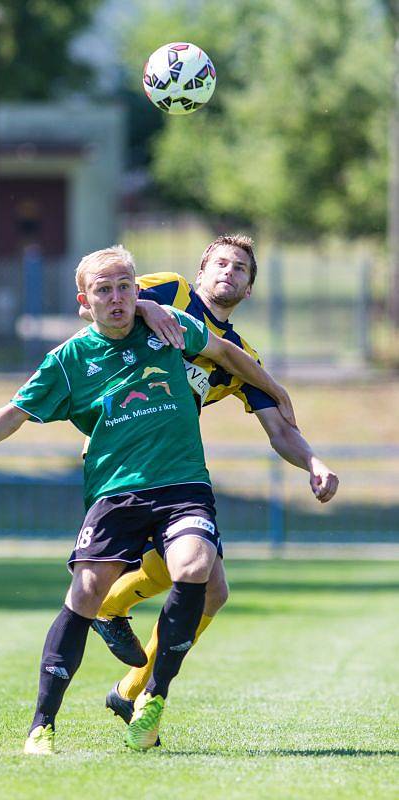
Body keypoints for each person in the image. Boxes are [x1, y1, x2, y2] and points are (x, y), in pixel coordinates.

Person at [0, 245, 296, 755]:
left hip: (183, 483)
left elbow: (229, 356)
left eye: (126, 288)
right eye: (105, 290)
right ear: (84, 301)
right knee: (86, 592)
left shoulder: (171, 328)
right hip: (116, 489)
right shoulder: (71, 358)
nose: (118, 297)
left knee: (197, 567)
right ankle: (41, 726)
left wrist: (278, 391)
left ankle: (152, 698)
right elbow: (16, 410)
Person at [81, 235, 339, 727]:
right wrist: (145, 308)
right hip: (122, 454)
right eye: (220, 263)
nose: (229, 271)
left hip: (173, 466)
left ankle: (130, 687)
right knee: (187, 576)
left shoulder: (240, 356)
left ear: (248, 290)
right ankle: (110, 627)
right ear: (199, 273)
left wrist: (313, 463)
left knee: (208, 588)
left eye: (241, 268)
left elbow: (280, 429)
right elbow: (98, 308)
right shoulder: (171, 292)